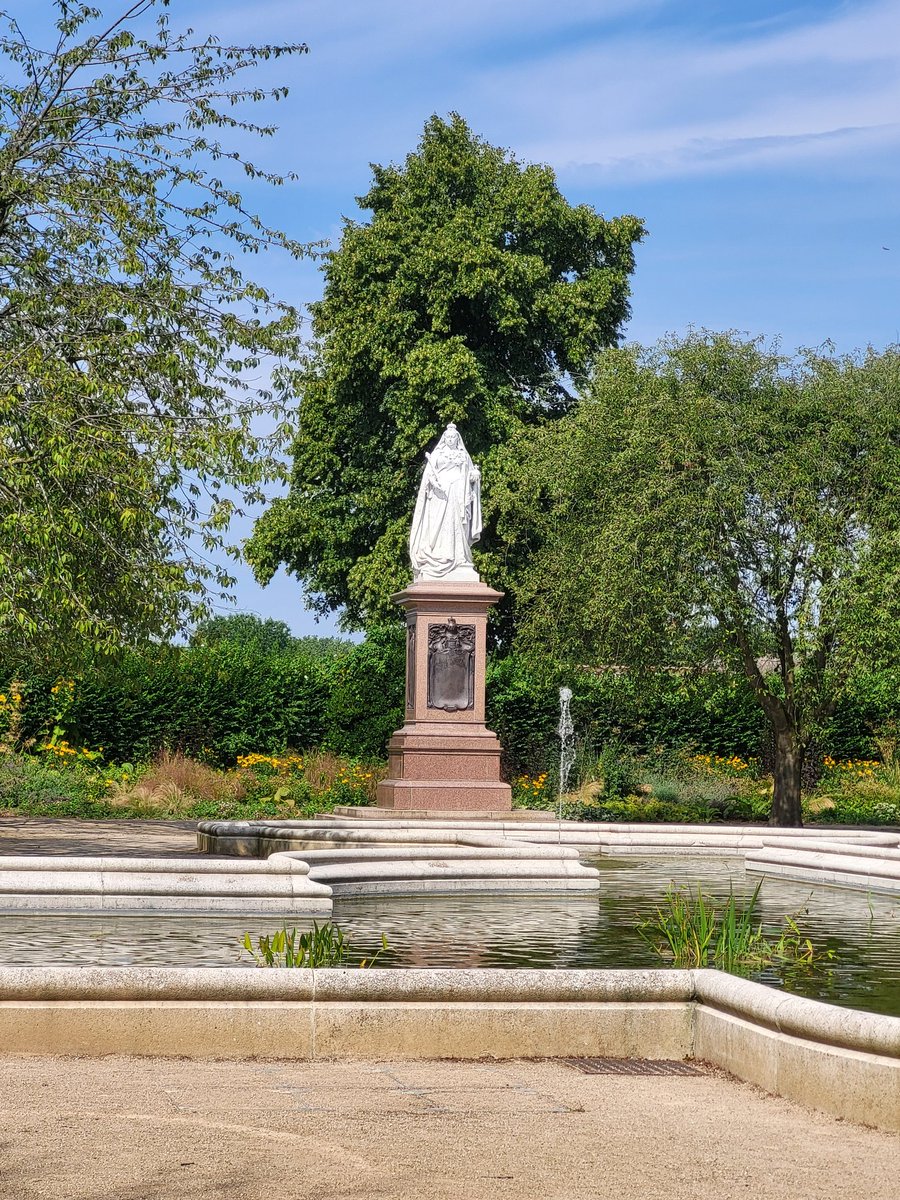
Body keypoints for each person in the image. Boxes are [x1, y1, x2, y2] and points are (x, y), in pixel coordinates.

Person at [409, 423, 482, 580]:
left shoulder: (463, 455)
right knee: (439, 524)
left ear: (457, 439)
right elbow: (428, 476)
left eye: (453, 438)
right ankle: (439, 555)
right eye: (447, 437)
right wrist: (435, 484)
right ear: (444, 439)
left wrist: (474, 475)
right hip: (439, 495)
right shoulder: (437, 455)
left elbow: (470, 475)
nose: (450, 440)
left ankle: (459, 557)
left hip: (458, 493)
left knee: (458, 523)